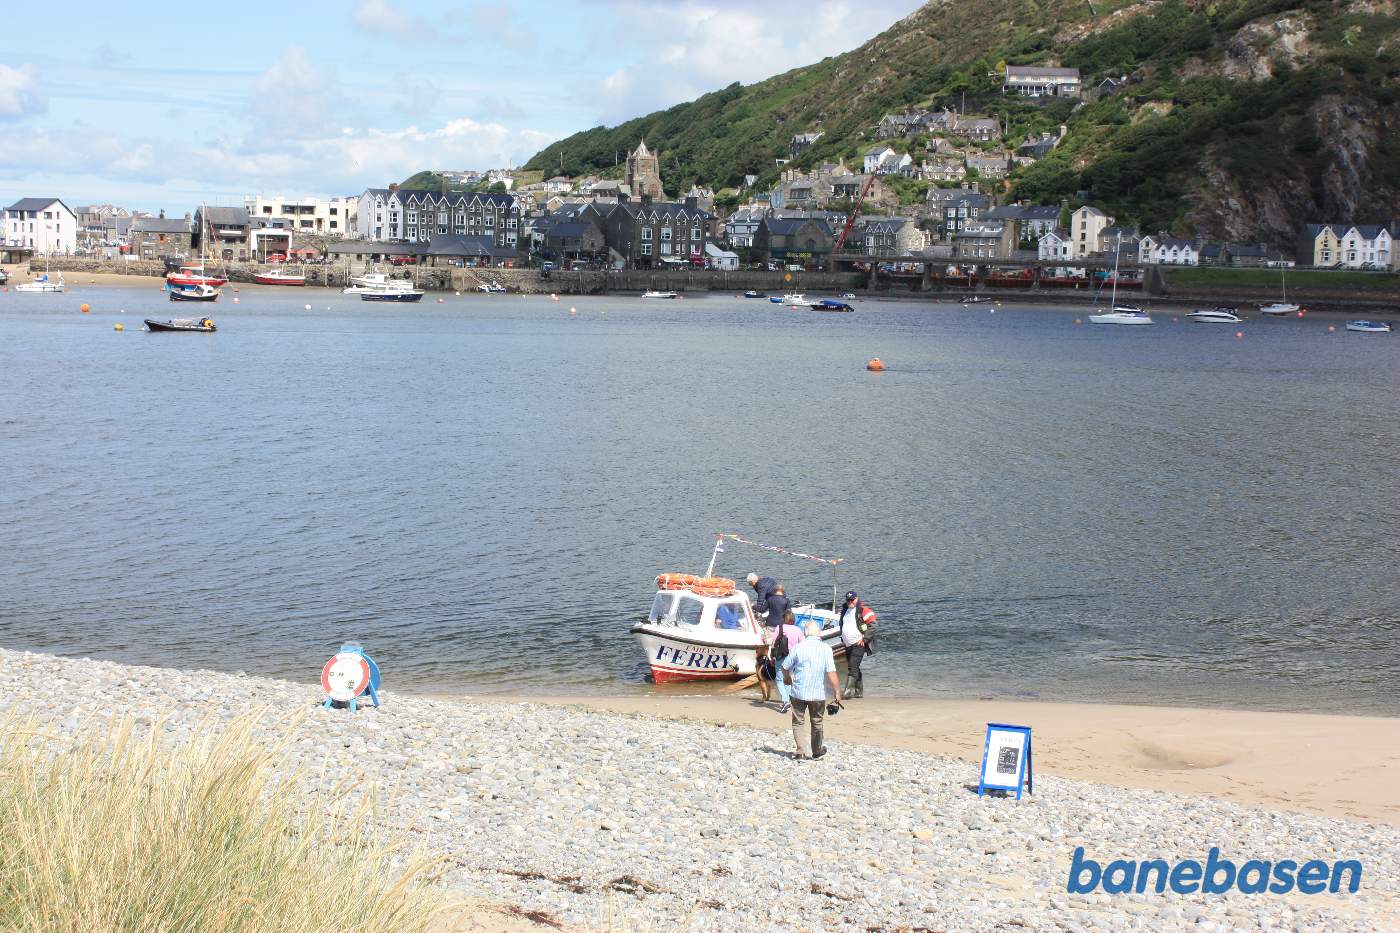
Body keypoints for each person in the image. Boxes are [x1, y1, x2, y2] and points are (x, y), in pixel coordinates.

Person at [781, 620, 841, 760]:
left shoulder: (798, 647)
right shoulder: (826, 649)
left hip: (798, 692)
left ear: (805, 633)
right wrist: (837, 692)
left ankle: (800, 751)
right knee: (817, 722)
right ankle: (817, 751)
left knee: (798, 722)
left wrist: (787, 678)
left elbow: (784, 666)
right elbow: (831, 672)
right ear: (819, 633)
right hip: (817, 694)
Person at [839, 590, 876, 699]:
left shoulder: (863, 610)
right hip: (847, 644)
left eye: (852, 599)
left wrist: (865, 639)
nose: (850, 602)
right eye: (848, 600)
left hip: (859, 643)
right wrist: (843, 638)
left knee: (852, 666)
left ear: (856, 599)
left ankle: (847, 692)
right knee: (854, 666)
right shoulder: (845, 610)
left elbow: (873, 625)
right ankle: (859, 692)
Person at [768, 609, 806, 713]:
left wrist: (771, 657)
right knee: (788, 679)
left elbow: (773, 643)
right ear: (793, 619)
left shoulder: (779, 628)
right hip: (793, 657)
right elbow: (802, 644)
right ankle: (788, 700)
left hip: (781, 656)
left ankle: (785, 701)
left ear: (784, 619)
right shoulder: (798, 630)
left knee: (780, 679)